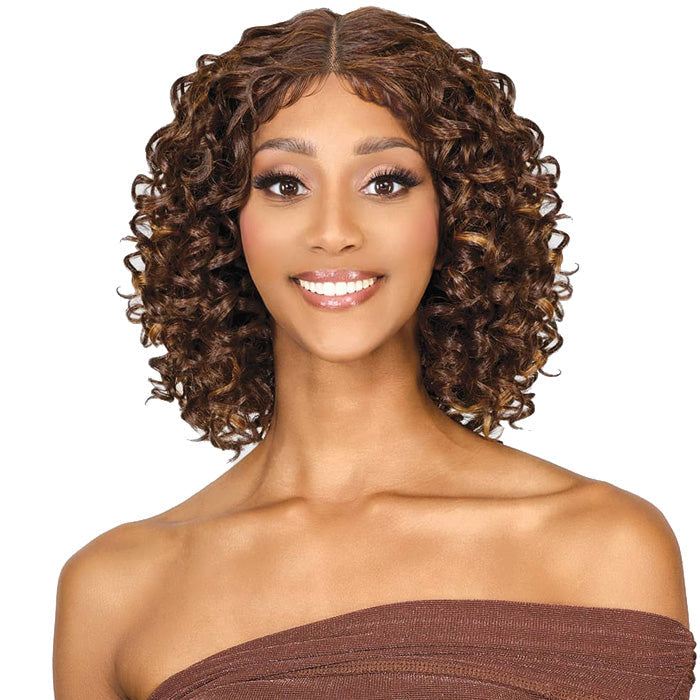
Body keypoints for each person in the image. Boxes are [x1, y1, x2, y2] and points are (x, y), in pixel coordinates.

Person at [52, 6, 696, 699]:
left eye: (385, 183)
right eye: (285, 184)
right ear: (223, 221)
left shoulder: (603, 546)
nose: (334, 232)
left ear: (455, 211)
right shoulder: (117, 588)